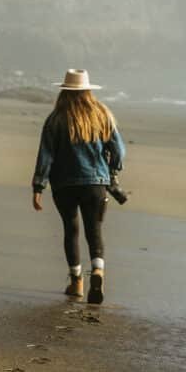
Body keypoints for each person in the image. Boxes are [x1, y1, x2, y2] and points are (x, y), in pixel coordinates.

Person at [31, 68, 126, 305]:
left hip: (64, 185)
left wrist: (38, 187)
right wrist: (113, 170)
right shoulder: (102, 115)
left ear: (64, 91)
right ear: (88, 91)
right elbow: (119, 151)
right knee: (94, 230)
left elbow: (46, 155)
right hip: (96, 183)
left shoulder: (55, 119)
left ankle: (76, 283)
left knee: (71, 231)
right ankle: (98, 272)